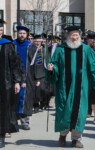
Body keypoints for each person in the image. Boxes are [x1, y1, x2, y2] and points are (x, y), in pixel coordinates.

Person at [46, 26, 95, 148]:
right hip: (64, 88)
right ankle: (62, 136)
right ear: (67, 36)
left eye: (76, 35)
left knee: (80, 112)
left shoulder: (86, 50)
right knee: (64, 111)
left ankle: (76, 139)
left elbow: (94, 66)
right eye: (72, 35)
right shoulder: (60, 50)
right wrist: (52, 69)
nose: (74, 37)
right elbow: (55, 64)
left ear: (80, 36)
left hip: (81, 88)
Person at [0, 19, 21, 148]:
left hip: (4, 83)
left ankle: (1, 135)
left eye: (1, 30)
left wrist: (17, 81)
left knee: (3, 110)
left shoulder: (7, 45)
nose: (0, 33)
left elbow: (15, 65)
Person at [14, 26, 36, 130]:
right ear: (17, 33)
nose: (22, 35)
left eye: (24, 33)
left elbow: (36, 64)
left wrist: (37, 78)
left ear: (27, 35)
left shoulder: (31, 46)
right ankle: (13, 121)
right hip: (13, 77)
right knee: (13, 99)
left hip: (28, 77)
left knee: (26, 99)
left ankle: (25, 122)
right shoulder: (11, 45)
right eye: (20, 33)